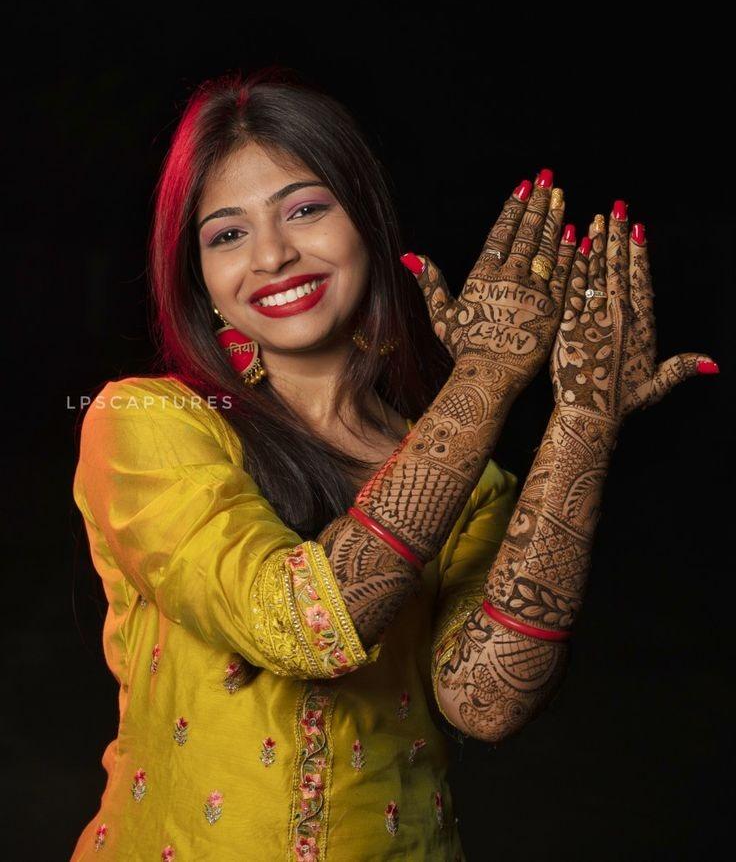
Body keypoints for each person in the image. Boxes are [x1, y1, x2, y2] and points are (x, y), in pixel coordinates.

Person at [70, 66, 718, 860]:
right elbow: (297, 624)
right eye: (228, 233)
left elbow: (484, 701)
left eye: (305, 210)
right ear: (199, 279)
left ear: (367, 227)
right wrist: (485, 379)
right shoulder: (147, 422)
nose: (272, 254)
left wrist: (583, 421)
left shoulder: (471, 483)